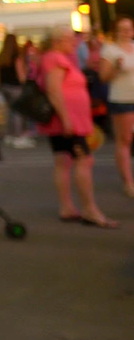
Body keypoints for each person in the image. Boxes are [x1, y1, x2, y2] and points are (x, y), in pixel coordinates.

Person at [40, 26, 117, 228]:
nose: (73, 43)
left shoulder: (62, 58)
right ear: (57, 41)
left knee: (63, 160)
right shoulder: (54, 59)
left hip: (69, 119)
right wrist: (66, 118)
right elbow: (54, 89)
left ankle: (67, 207)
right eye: (69, 39)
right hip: (67, 121)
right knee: (84, 159)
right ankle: (90, 209)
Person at [99, 17, 134, 197]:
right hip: (122, 99)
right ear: (116, 31)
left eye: (129, 29)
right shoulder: (110, 50)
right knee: (125, 140)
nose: (126, 32)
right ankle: (128, 183)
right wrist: (117, 68)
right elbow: (103, 77)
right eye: (122, 29)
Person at [0, 34, 34, 149]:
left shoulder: (1, 56)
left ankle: (10, 134)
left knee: (9, 111)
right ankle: (18, 135)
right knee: (18, 112)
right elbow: (21, 74)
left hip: (3, 86)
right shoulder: (16, 56)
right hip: (15, 86)